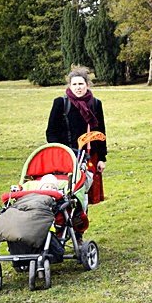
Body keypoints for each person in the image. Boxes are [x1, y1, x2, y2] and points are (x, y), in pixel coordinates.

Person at [46, 66, 107, 206]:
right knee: (67, 190)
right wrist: (59, 152)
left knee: (84, 191)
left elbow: (101, 133)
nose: (78, 87)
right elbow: (51, 132)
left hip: (90, 156)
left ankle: (81, 220)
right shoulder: (61, 103)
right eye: (74, 84)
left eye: (81, 84)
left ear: (87, 84)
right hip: (67, 155)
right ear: (70, 85)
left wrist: (102, 158)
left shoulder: (96, 104)